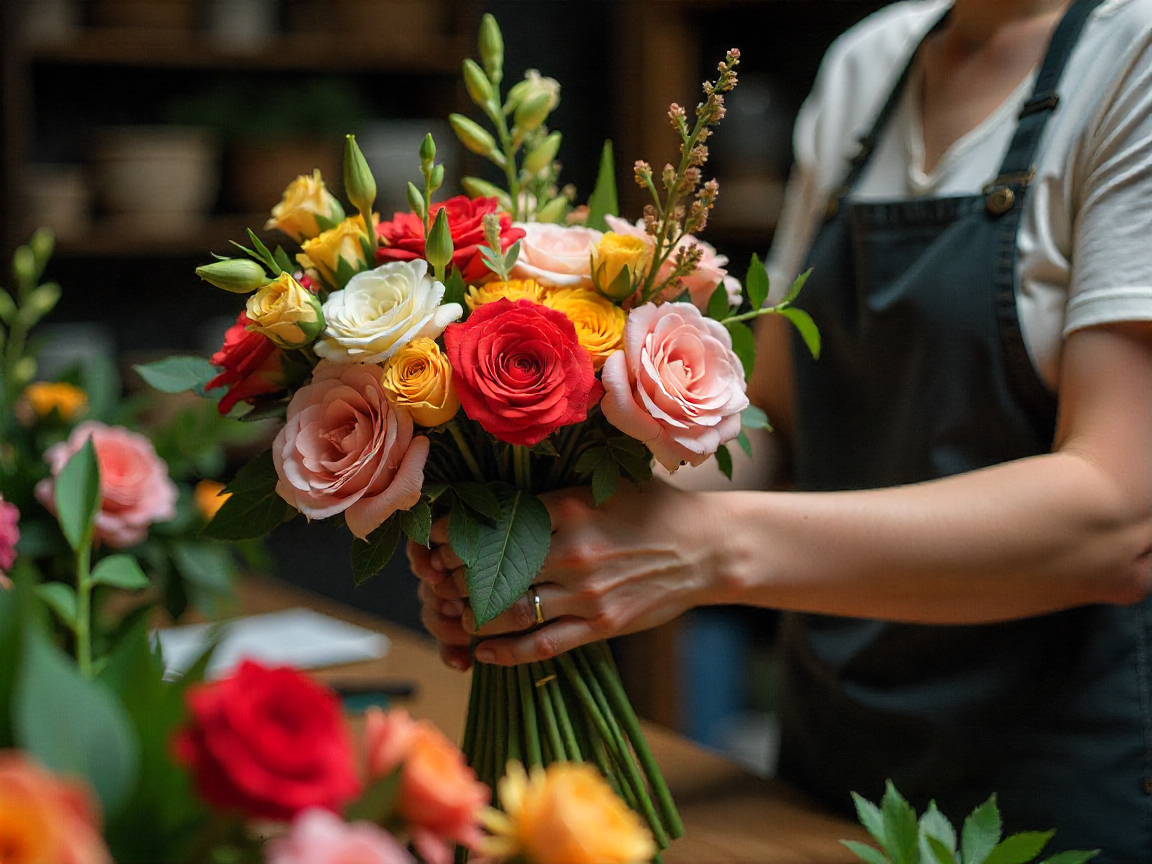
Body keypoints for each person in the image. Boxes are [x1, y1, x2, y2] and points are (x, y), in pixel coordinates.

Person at [410, 0, 1152, 858]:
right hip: (832, 770)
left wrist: (705, 550)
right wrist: (549, 515)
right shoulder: (869, 64)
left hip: (1053, 789)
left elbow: (1117, 518)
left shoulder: (1130, 60)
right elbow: (774, 427)